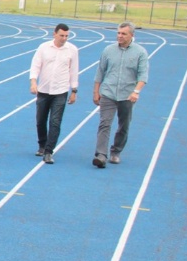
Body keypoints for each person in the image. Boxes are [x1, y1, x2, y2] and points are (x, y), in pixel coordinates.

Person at [92, 21, 149, 168]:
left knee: (124, 125)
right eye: (118, 33)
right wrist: (96, 92)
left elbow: (143, 75)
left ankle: (116, 151)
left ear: (132, 35)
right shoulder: (108, 50)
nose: (120, 36)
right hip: (108, 93)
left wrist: (136, 92)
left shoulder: (140, 52)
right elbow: (100, 72)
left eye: (124, 33)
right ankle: (101, 155)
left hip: (127, 95)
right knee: (104, 123)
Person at [29, 23, 79, 165]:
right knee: (40, 120)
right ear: (54, 34)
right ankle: (42, 145)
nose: (64, 38)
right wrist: (33, 82)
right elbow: (35, 65)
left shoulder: (72, 50)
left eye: (66, 36)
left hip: (60, 91)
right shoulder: (43, 48)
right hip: (43, 90)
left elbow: (74, 71)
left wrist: (74, 90)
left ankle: (49, 151)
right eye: (61, 35)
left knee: (55, 122)